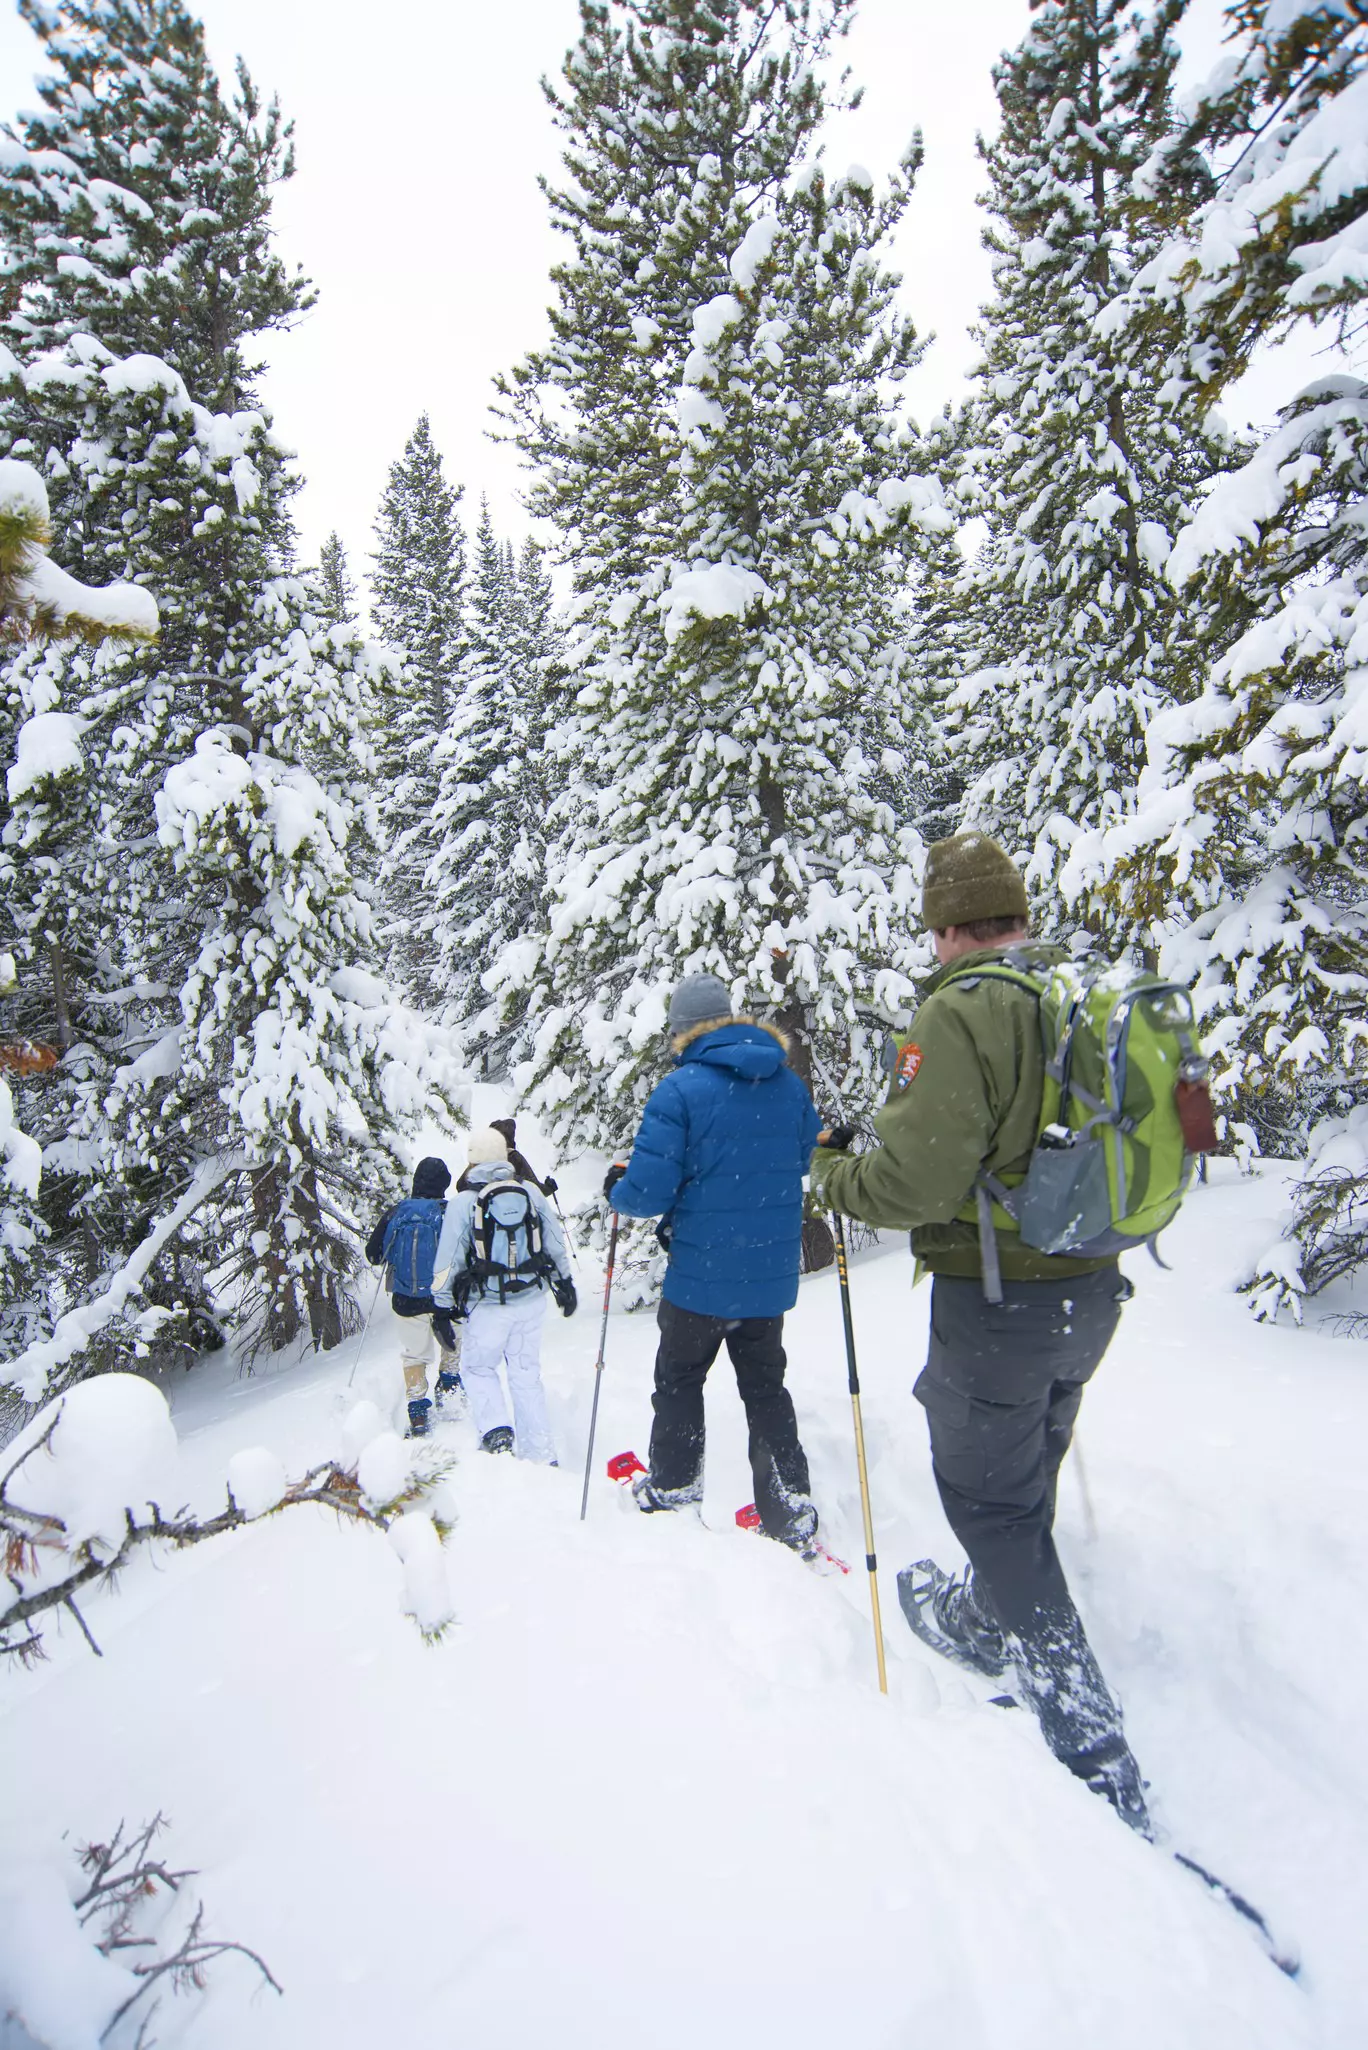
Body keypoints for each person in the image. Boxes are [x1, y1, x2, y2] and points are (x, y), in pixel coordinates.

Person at [810, 832, 1150, 1834]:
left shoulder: (962, 1007)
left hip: (1000, 1301)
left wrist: (831, 1175)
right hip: (1091, 1289)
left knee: (988, 1499)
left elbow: (916, 1184)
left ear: (947, 925)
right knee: (1021, 1470)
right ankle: (980, 1610)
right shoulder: (1078, 993)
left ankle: (1090, 1739)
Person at [605, 973, 823, 1552]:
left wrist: (618, 1191)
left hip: (700, 1279)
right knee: (765, 1387)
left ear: (681, 1032)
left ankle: (675, 1486)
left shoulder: (680, 1091)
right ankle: (790, 1506)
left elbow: (647, 1193)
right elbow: (802, 1155)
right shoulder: (786, 1083)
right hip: (766, 1278)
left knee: (679, 1380)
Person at [431, 1127, 576, 1460]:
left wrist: (440, 1308)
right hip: (531, 1300)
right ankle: (541, 1452)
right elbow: (554, 1241)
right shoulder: (530, 1193)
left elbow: (447, 1261)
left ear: (472, 1161)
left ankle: (496, 1434)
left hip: (487, 1306)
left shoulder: (463, 1203)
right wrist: (564, 1283)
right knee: (526, 1374)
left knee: (479, 1369)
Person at [364, 1156, 463, 1439]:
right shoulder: (448, 1213)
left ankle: (418, 1413)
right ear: (443, 1184)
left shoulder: (397, 1212)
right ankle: (450, 1386)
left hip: (407, 1299)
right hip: (444, 1297)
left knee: (413, 1354)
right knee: (452, 1340)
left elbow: (373, 1255)